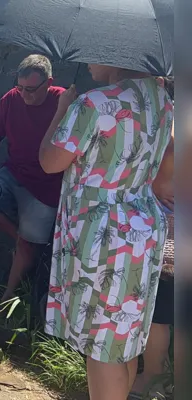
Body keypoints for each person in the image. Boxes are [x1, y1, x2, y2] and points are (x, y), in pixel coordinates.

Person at [38, 64, 173, 400]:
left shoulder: (94, 103)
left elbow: (50, 161)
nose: (88, 62)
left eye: (97, 53)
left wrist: (60, 112)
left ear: (118, 56)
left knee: (100, 345)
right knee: (121, 344)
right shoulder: (162, 102)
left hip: (102, 233)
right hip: (141, 228)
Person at [0, 54, 66, 308]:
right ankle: (18, 238)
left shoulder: (62, 101)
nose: (25, 95)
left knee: (30, 242)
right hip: (12, 173)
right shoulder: (11, 99)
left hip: (47, 185)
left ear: (49, 82)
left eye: (32, 90)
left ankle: (8, 296)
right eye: (20, 88)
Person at [130, 77, 175, 399]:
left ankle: (153, 376)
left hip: (170, 236)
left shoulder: (170, 129)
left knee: (158, 314)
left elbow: (157, 184)